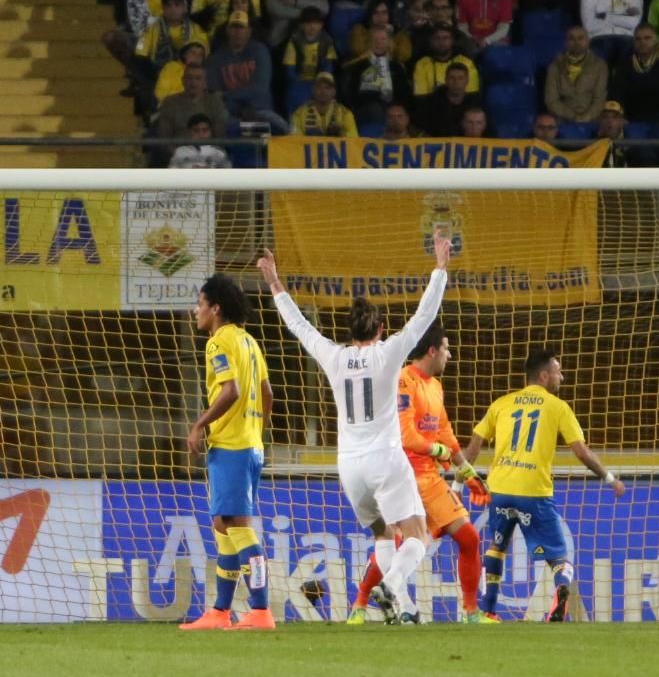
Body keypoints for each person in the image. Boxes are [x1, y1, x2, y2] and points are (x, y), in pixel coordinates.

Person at [255, 234, 451, 624]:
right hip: (386, 460)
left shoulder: (334, 355)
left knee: (382, 534)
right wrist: (440, 266)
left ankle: (404, 611)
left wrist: (274, 280)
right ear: (380, 327)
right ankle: (392, 588)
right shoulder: (389, 352)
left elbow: (298, 326)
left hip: (349, 468)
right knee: (417, 536)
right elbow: (424, 316)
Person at [461, 349, 624, 624]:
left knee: (496, 547)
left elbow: (474, 447)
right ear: (544, 375)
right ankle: (561, 589)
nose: (562, 376)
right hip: (533, 491)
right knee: (560, 558)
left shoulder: (501, 403)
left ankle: (488, 611)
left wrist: (457, 481)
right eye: (558, 371)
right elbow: (582, 452)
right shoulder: (557, 407)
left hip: (499, 488)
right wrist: (609, 478)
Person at [345, 325, 488, 625]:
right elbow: (407, 435)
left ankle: (472, 613)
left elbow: (446, 434)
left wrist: (468, 472)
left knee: (468, 538)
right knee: (398, 544)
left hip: (431, 478)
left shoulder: (435, 386)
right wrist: (438, 451)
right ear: (433, 350)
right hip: (403, 474)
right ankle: (360, 603)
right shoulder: (403, 380)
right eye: (447, 348)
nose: (450, 355)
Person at [178, 274, 273, 630]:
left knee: (237, 525)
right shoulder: (249, 341)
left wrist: (199, 424)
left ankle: (261, 610)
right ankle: (219, 611)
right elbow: (267, 395)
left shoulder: (219, 343)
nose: (196, 310)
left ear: (215, 309)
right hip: (249, 445)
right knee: (223, 523)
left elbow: (230, 390)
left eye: (200, 304)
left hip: (232, 446)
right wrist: (255, 434)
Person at [544, 25, 608, 127]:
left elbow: (599, 99)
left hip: (592, 120)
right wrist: (573, 117)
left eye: (580, 38)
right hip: (562, 120)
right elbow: (551, 100)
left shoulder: (599, 65)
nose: (576, 42)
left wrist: (586, 118)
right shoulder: (555, 66)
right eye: (571, 39)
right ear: (565, 43)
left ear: (588, 41)